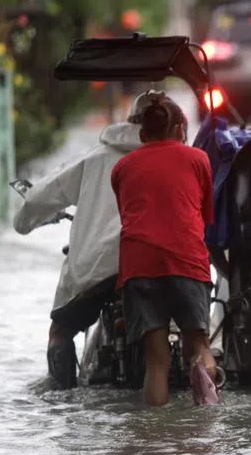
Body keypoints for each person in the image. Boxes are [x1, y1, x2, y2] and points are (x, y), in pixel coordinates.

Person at [14, 91, 164, 389]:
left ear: (130, 120)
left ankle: (62, 401)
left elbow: (41, 197)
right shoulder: (176, 159)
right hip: (157, 267)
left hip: (97, 268)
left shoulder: (95, 158)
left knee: (61, 331)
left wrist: (22, 225)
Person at [111, 95, 219, 406]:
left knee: (156, 361)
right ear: (179, 129)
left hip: (139, 265)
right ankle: (208, 425)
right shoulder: (198, 159)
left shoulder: (122, 167)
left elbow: (128, 216)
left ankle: (155, 437)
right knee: (198, 345)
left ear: (142, 134)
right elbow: (205, 218)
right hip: (186, 261)